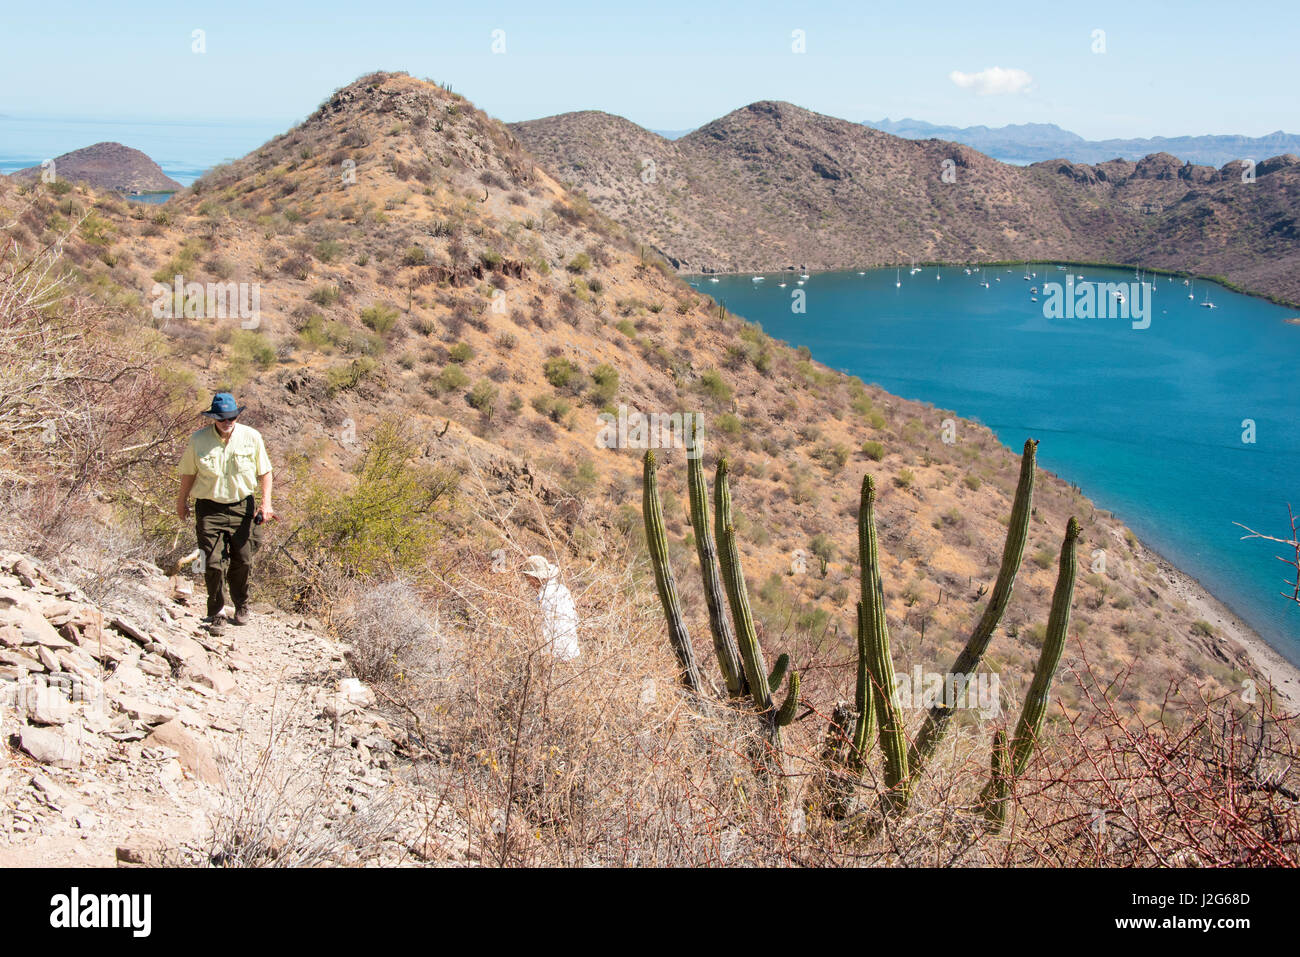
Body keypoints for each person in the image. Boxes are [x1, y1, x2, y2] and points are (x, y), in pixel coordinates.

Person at [176, 393, 274, 628]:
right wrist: (181, 501)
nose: (227, 422)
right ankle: (217, 611)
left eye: (232, 417)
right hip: (209, 508)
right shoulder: (198, 440)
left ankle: (241, 604)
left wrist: (266, 503)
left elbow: (265, 472)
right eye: (222, 418)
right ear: (214, 418)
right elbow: (188, 473)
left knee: (243, 560)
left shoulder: (252, 437)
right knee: (211, 562)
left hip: (242, 506)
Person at [521, 555, 579, 660]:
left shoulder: (543, 598)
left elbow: (540, 630)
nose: (527, 581)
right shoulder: (562, 590)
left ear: (535, 577)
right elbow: (575, 619)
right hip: (572, 651)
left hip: (554, 655)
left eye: (527, 577)